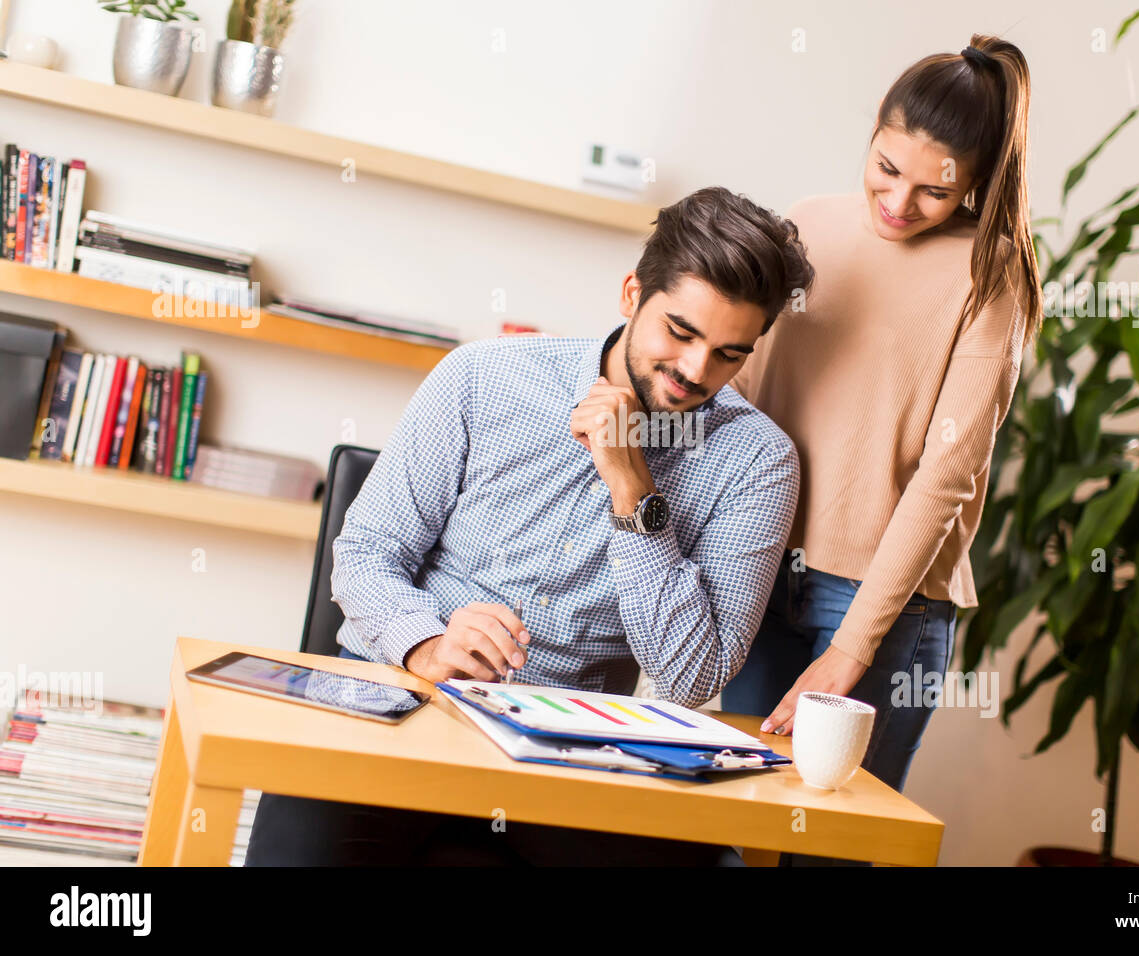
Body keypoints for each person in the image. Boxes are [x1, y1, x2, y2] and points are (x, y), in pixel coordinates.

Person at [245, 185, 815, 866]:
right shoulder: (484, 378)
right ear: (633, 294)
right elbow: (366, 552)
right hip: (401, 710)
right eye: (681, 332)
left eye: (730, 354)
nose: (696, 371)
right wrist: (426, 643)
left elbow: (691, 676)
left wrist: (632, 485)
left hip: (572, 766)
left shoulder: (758, 462)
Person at [721, 34, 1042, 860]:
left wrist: (852, 648)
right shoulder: (811, 225)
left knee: (826, 849)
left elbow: (948, 476)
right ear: (873, 133)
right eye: (887, 167)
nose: (899, 202)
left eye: (937, 190)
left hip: (882, 605)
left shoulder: (991, 272)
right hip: (759, 565)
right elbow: (739, 393)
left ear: (974, 185)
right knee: (728, 826)